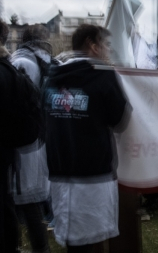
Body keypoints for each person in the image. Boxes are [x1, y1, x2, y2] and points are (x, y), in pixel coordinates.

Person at [44, 24, 128, 252]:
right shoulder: (102, 76)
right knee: (93, 243)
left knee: (74, 243)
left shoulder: (53, 76)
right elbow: (120, 119)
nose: (108, 51)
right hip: (93, 177)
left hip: (60, 172)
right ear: (93, 46)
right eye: (106, 45)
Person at [10, 25, 54, 253]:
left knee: (25, 199)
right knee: (30, 198)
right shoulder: (41, 62)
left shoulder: (22, 63)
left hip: (23, 142)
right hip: (36, 139)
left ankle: (37, 248)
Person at [1, 19, 42, 252]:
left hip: (12, 147)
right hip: (15, 147)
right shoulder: (16, 67)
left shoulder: (15, 66)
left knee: (18, 201)